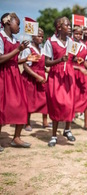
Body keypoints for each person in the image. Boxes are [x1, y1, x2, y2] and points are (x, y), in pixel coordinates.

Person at [0, 12, 36, 150]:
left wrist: (26, 58)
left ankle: (16, 138)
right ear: (8, 22)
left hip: (15, 75)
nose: (20, 28)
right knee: (2, 107)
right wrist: (18, 50)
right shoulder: (1, 37)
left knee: (22, 105)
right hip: (3, 76)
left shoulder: (15, 41)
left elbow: (15, 60)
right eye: (18, 24)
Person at [44, 17, 76, 147]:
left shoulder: (71, 41)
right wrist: (60, 60)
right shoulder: (50, 42)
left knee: (69, 103)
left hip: (68, 74)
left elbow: (73, 58)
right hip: (56, 75)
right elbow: (46, 62)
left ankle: (67, 129)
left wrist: (76, 60)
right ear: (59, 27)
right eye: (67, 25)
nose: (69, 27)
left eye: (70, 25)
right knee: (56, 104)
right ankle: (53, 135)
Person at [21, 28, 51, 131]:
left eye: (42, 36)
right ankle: (27, 122)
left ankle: (45, 121)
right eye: (38, 36)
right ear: (33, 37)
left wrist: (48, 71)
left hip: (42, 76)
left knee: (45, 99)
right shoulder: (28, 49)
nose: (41, 38)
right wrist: (37, 76)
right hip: (31, 77)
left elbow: (42, 65)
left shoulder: (42, 49)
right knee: (29, 100)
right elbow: (25, 66)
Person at [71, 26, 87, 131]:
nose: (78, 35)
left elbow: (84, 60)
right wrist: (79, 67)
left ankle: (86, 123)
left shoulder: (84, 45)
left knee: (86, 96)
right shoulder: (70, 44)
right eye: (76, 33)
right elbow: (68, 61)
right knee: (72, 97)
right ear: (73, 33)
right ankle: (69, 119)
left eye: (80, 34)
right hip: (72, 72)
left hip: (83, 74)